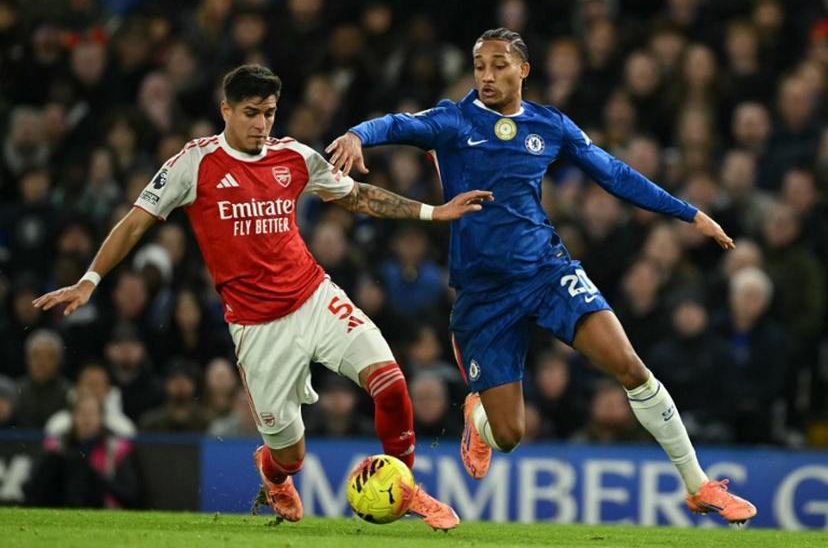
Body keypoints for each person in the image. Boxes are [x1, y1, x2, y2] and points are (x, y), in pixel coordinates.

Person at [33, 64, 492, 530]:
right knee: (289, 456)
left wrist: (436, 212)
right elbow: (135, 221)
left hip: (315, 298)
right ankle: (273, 475)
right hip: (257, 327)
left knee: (390, 382)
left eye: (269, 114)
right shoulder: (194, 164)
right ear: (225, 110)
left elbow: (355, 196)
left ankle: (406, 488)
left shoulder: (292, 156)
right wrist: (89, 279)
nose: (261, 125)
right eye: (251, 113)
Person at [327, 28, 756, 524]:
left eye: (499, 65)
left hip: (548, 272)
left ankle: (699, 486)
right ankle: (479, 415)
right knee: (508, 437)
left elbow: (614, 174)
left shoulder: (550, 125)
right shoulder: (453, 120)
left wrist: (689, 214)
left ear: (523, 70)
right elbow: (395, 124)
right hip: (484, 295)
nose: (487, 75)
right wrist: (358, 134)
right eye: (479, 65)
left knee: (630, 368)